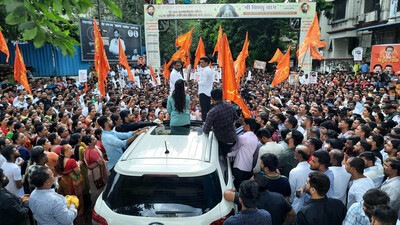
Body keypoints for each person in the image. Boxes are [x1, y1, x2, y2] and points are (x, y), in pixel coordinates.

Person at [203, 88, 238, 158]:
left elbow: (206, 130)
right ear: (222, 96)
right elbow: (236, 119)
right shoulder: (230, 107)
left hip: (222, 141)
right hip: (233, 138)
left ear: (211, 98)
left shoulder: (212, 112)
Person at [228, 118, 258, 189]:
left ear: (248, 125)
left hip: (239, 166)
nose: (243, 126)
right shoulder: (255, 138)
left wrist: (228, 154)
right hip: (248, 167)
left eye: (244, 124)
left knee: (237, 186)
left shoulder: (243, 137)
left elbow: (234, 148)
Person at [82, 135, 108, 206]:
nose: (96, 139)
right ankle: (97, 205)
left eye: (95, 138)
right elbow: (101, 162)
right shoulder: (93, 151)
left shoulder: (88, 148)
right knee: (98, 189)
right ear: (89, 143)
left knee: (95, 188)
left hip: (94, 172)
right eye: (93, 139)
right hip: (96, 173)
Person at [289, 144, 312, 213]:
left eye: (295, 152)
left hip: (296, 206)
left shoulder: (294, 171)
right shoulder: (312, 169)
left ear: (300, 155)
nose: (294, 153)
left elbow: (292, 190)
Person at [197, 56, 214, 122]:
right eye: (200, 62)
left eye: (202, 62)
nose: (201, 64)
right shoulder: (209, 70)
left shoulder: (205, 71)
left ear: (207, 63)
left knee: (204, 110)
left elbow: (203, 82)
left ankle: (205, 123)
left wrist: (197, 82)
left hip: (203, 92)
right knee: (207, 109)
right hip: (208, 91)